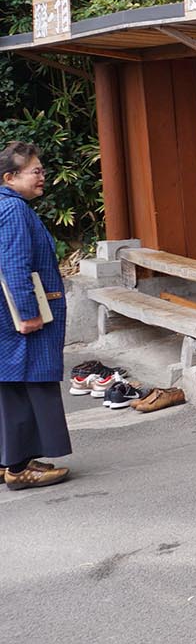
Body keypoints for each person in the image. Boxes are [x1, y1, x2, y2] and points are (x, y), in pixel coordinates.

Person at [0, 142, 72, 491]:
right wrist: (28, 313)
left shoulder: (9, 205)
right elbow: (14, 264)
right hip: (21, 316)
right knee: (27, 384)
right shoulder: (13, 210)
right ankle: (19, 467)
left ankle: (8, 461)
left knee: (13, 384)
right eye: (36, 172)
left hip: (8, 314)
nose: (43, 177)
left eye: (42, 170)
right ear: (9, 177)